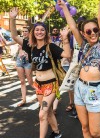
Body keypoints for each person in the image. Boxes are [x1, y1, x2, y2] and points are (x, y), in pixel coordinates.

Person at [58, 0, 100, 138]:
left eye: (95, 30)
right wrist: (64, 8)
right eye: (89, 31)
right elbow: (73, 26)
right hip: (79, 87)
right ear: (84, 34)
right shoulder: (84, 45)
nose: (93, 33)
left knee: (95, 132)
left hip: (94, 89)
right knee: (85, 129)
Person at [9, 8, 71, 138]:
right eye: (37, 30)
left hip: (51, 85)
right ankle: (57, 133)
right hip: (39, 85)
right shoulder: (30, 46)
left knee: (42, 114)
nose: (39, 32)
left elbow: (67, 54)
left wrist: (65, 38)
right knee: (47, 113)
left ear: (45, 33)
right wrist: (12, 19)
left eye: (42, 30)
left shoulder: (51, 46)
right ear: (33, 32)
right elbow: (14, 36)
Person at [15, 27, 33, 107]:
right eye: (23, 31)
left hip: (28, 62)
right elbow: (9, 42)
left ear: (29, 32)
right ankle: (23, 100)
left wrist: (29, 54)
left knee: (30, 82)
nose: (24, 32)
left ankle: (42, 95)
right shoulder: (20, 40)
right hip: (19, 61)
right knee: (22, 82)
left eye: (26, 31)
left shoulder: (32, 41)